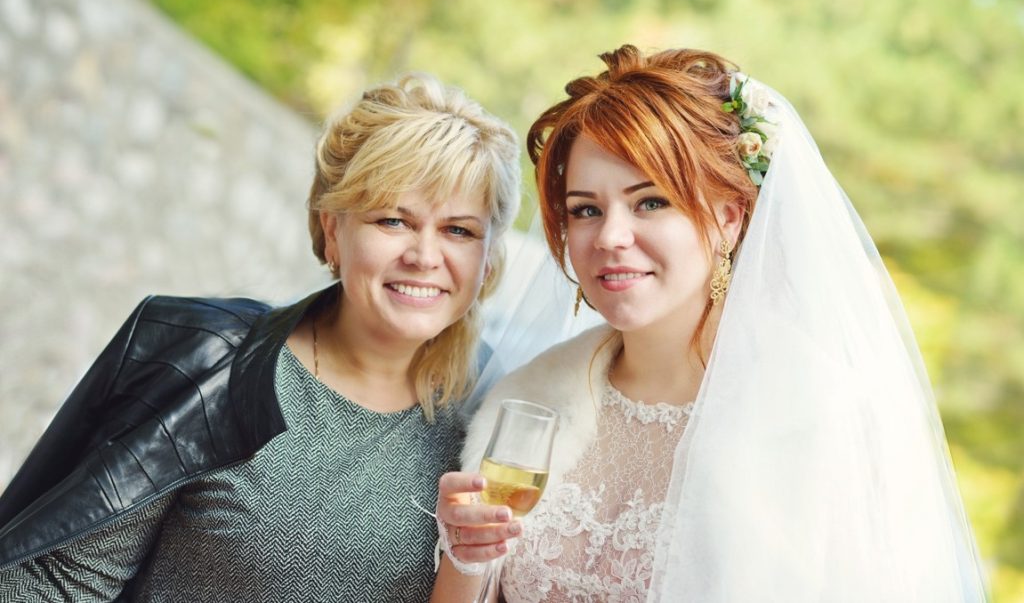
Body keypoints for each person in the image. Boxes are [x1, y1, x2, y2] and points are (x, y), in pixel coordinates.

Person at [432, 45, 987, 602]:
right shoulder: (529, 402)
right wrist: (464, 554)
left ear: (727, 217)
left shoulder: (818, 415)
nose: (610, 237)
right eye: (585, 209)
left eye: (649, 202)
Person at [0, 72, 521, 602]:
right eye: (393, 221)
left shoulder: (492, 422)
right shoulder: (211, 364)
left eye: (459, 230)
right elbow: (56, 583)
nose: (425, 256)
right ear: (333, 229)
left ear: (487, 259)